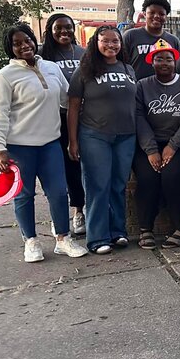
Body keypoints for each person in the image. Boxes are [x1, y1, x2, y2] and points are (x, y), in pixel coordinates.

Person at [0, 24, 88, 262]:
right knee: (24, 195)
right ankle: (31, 241)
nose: (24, 46)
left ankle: (63, 239)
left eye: (28, 40)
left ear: (35, 41)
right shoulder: (4, 76)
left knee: (58, 192)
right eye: (17, 43)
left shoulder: (51, 68)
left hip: (50, 144)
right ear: (10, 48)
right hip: (19, 147)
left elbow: (68, 100)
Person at [67, 26, 137, 254]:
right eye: (105, 41)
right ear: (95, 43)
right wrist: (73, 141)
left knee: (118, 185)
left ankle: (118, 232)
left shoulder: (127, 68)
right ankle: (97, 238)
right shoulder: (85, 70)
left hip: (126, 136)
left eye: (115, 41)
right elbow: (73, 108)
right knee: (98, 186)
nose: (111, 45)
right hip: (95, 135)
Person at [134, 39, 180, 250]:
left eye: (168, 59)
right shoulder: (142, 86)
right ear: (152, 62)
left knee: (173, 176)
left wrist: (172, 146)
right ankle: (146, 228)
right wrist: (152, 150)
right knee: (147, 177)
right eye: (159, 59)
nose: (164, 62)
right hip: (149, 142)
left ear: (175, 61)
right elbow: (138, 117)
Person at [39, 13, 86, 235]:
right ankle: (58, 215)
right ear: (50, 30)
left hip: (82, 116)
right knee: (60, 167)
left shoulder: (83, 53)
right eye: (59, 28)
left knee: (78, 164)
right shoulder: (42, 55)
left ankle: (79, 211)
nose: (64, 32)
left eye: (68, 28)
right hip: (55, 118)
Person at [122, 0, 180, 80]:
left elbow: (177, 69)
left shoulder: (173, 40)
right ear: (144, 14)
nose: (157, 16)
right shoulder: (130, 36)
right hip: (137, 90)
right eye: (152, 12)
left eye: (161, 14)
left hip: (164, 91)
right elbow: (121, 64)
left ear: (166, 17)